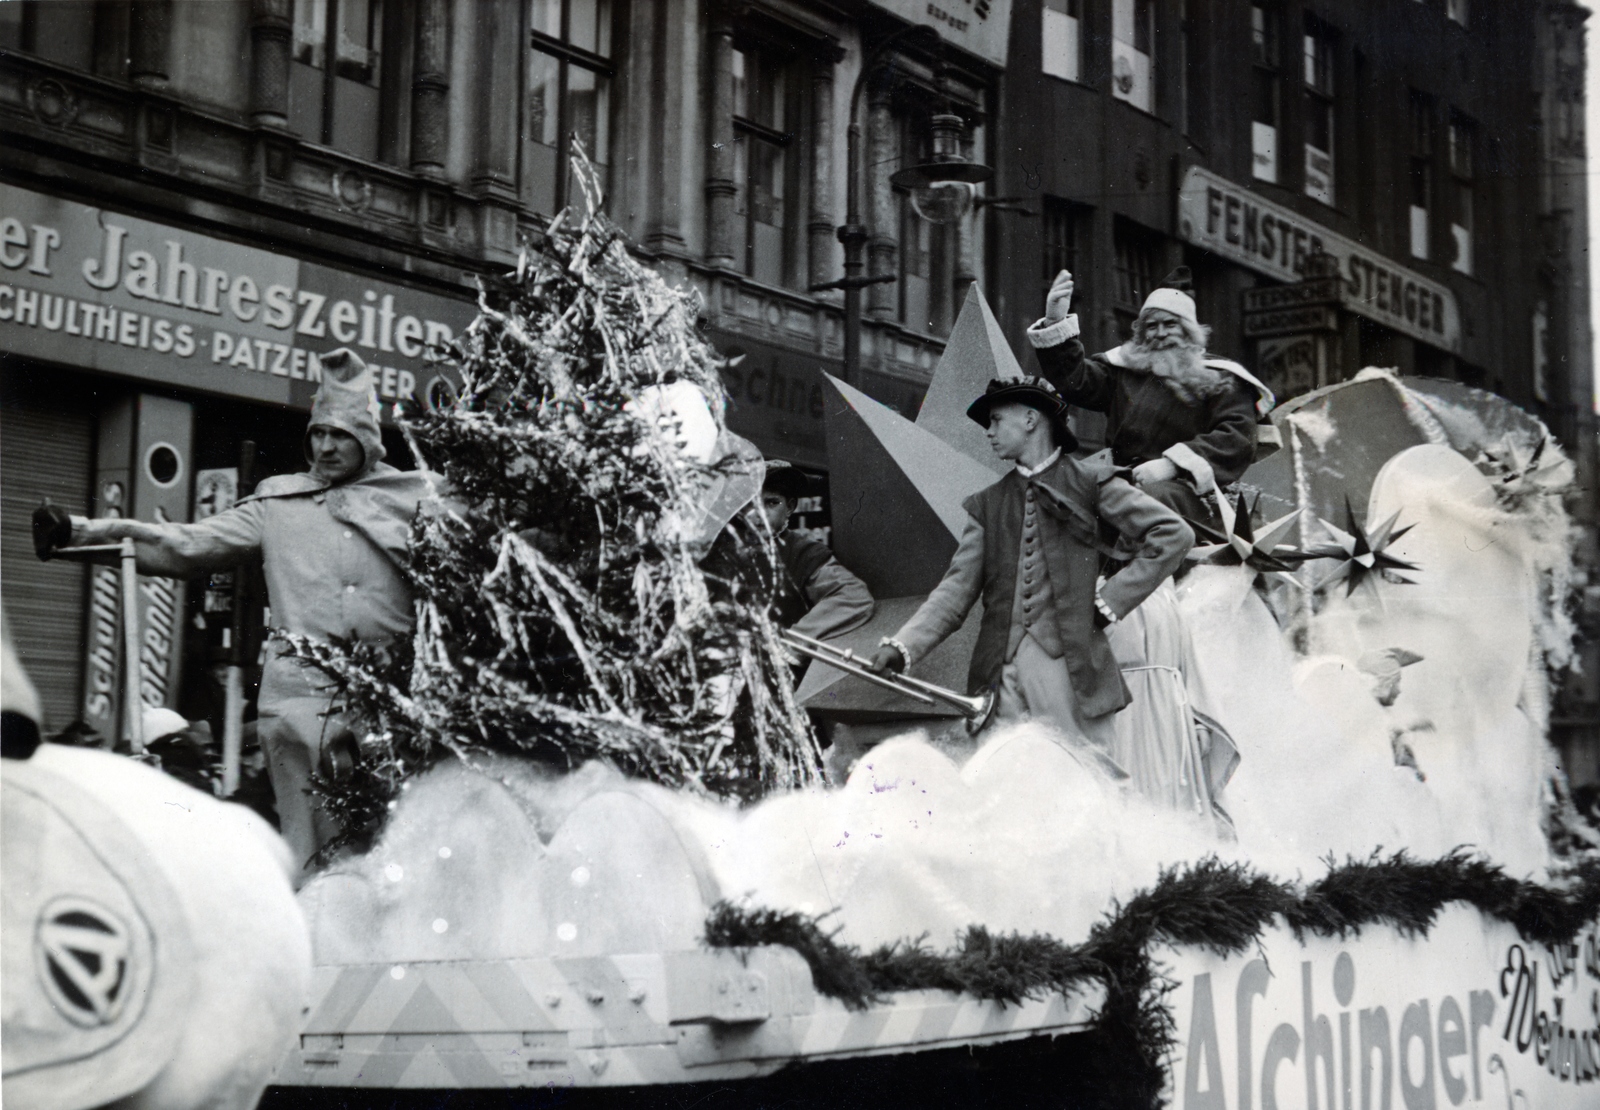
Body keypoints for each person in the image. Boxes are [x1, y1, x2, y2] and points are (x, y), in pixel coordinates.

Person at [33, 349, 432, 882]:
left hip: (387, 708)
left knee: (393, 851)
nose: (326, 446)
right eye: (318, 434)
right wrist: (81, 533)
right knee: (314, 859)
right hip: (299, 707)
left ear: (367, 438)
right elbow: (186, 544)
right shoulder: (279, 504)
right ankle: (313, 957)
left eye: (341, 435)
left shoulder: (412, 499)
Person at [866, 378, 1192, 773]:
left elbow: (1174, 534)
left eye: (996, 420)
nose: (988, 432)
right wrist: (903, 647)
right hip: (998, 675)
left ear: (1031, 419)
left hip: (1070, 669)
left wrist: (1111, 600)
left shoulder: (1092, 483)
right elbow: (954, 592)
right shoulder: (987, 505)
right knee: (999, 781)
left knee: (1085, 781)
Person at [1027, 266, 1274, 525]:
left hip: (1187, 491)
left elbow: (1236, 437)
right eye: (1151, 326)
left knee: (1145, 503)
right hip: (1119, 481)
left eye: (1170, 325)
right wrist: (1055, 320)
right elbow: (1075, 381)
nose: (1160, 333)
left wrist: (1172, 465)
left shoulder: (1221, 377)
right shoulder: (1124, 371)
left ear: (1189, 332)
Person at [759, 461, 875, 643]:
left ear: (789, 507)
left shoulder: (803, 553)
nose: (759, 513)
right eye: (750, 503)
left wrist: (793, 641)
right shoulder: (718, 549)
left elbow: (853, 596)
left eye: (772, 503)